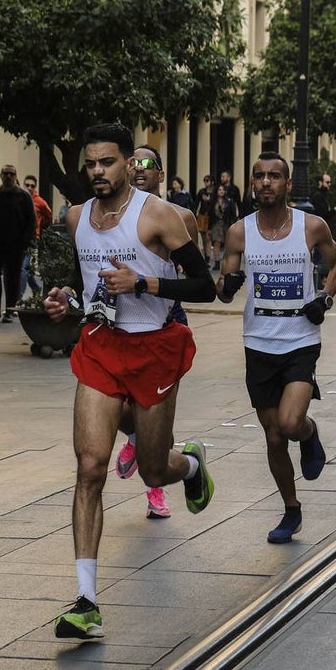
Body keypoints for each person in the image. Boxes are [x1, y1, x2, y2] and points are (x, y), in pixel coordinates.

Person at [43, 123, 216, 640]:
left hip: (154, 348)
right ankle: (86, 602)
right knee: (89, 467)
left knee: (153, 470)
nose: (98, 171)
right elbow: (87, 288)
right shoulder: (76, 217)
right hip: (101, 345)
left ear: (128, 163)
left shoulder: (158, 215)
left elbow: (205, 287)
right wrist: (65, 300)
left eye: (108, 162)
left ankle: (189, 465)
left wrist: (142, 282)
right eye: (91, 163)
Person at [217, 151, 336, 544]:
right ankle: (291, 509)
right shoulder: (239, 232)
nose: (266, 182)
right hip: (258, 343)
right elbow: (224, 290)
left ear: (288, 184)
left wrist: (323, 299)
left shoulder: (312, 226)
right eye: (259, 176)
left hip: (301, 340)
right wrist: (228, 285)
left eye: (274, 176)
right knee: (273, 437)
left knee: (290, 424)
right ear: (252, 183)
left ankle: (308, 433)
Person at [114, 145, 204, 520]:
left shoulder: (181, 217)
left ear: (161, 174)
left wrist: (149, 284)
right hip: (120, 321)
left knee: (155, 412)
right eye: (132, 163)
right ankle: (138, 437)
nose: (138, 169)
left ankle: (156, 489)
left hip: (166, 321)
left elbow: (196, 278)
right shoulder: (111, 215)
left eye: (147, 163)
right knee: (116, 408)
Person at [0, 164, 36, 323]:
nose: (9, 176)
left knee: (13, 279)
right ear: (1, 175)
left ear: (16, 176)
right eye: (6, 173)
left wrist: (26, 242)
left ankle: (10, 311)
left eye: (11, 173)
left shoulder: (24, 196)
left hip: (16, 245)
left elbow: (31, 221)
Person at [20, 174, 54, 300]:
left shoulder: (40, 202)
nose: (29, 188)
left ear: (35, 187)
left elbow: (49, 215)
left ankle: (18, 298)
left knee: (23, 269)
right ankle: (36, 288)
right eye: (27, 185)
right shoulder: (20, 198)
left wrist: (40, 226)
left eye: (32, 186)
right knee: (28, 270)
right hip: (19, 238)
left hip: (33, 238)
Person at [209, 183, 238, 270]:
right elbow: (210, 214)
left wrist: (234, 224)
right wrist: (209, 228)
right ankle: (217, 262)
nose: (221, 191)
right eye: (219, 190)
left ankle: (227, 261)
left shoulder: (229, 201)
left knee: (227, 244)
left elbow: (233, 214)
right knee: (216, 243)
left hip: (226, 224)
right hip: (216, 224)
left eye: (223, 190)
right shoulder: (213, 201)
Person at [195, 175, 215, 263]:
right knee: (203, 237)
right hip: (203, 216)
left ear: (212, 182)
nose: (206, 182)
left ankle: (208, 257)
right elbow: (196, 203)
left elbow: (215, 203)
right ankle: (206, 257)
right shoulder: (201, 192)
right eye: (205, 180)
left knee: (208, 237)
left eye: (207, 180)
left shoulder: (215, 192)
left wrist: (208, 200)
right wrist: (195, 215)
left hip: (212, 217)